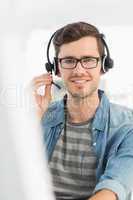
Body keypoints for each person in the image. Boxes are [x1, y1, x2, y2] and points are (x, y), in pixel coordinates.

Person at [32, 22, 133, 200]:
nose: (79, 70)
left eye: (88, 60)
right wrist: (30, 121)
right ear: (56, 68)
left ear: (103, 65)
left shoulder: (127, 126)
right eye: (69, 61)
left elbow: (112, 192)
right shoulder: (40, 117)